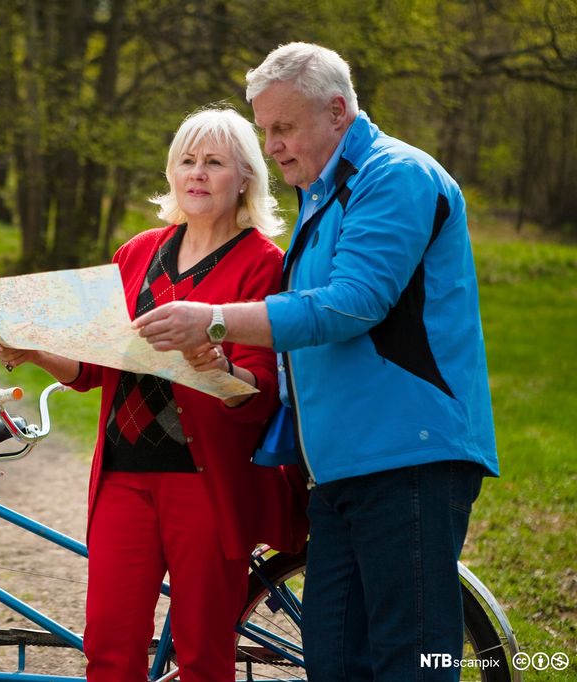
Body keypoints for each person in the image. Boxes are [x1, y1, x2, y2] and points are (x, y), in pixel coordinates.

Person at [132, 43, 500, 681]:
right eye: (264, 129)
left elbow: (350, 306)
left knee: (409, 660)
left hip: (408, 457)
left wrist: (213, 315)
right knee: (332, 659)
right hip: (336, 470)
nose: (271, 146)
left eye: (283, 128)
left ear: (337, 112)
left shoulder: (395, 176)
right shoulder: (322, 195)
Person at [0, 106, 307, 682]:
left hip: (208, 483)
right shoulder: (137, 253)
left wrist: (217, 363)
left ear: (246, 179)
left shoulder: (266, 264)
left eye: (214, 162)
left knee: (203, 652)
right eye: (187, 161)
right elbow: (91, 368)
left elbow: (260, 395)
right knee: (109, 642)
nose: (197, 173)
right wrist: (33, 349)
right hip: (123, 476)